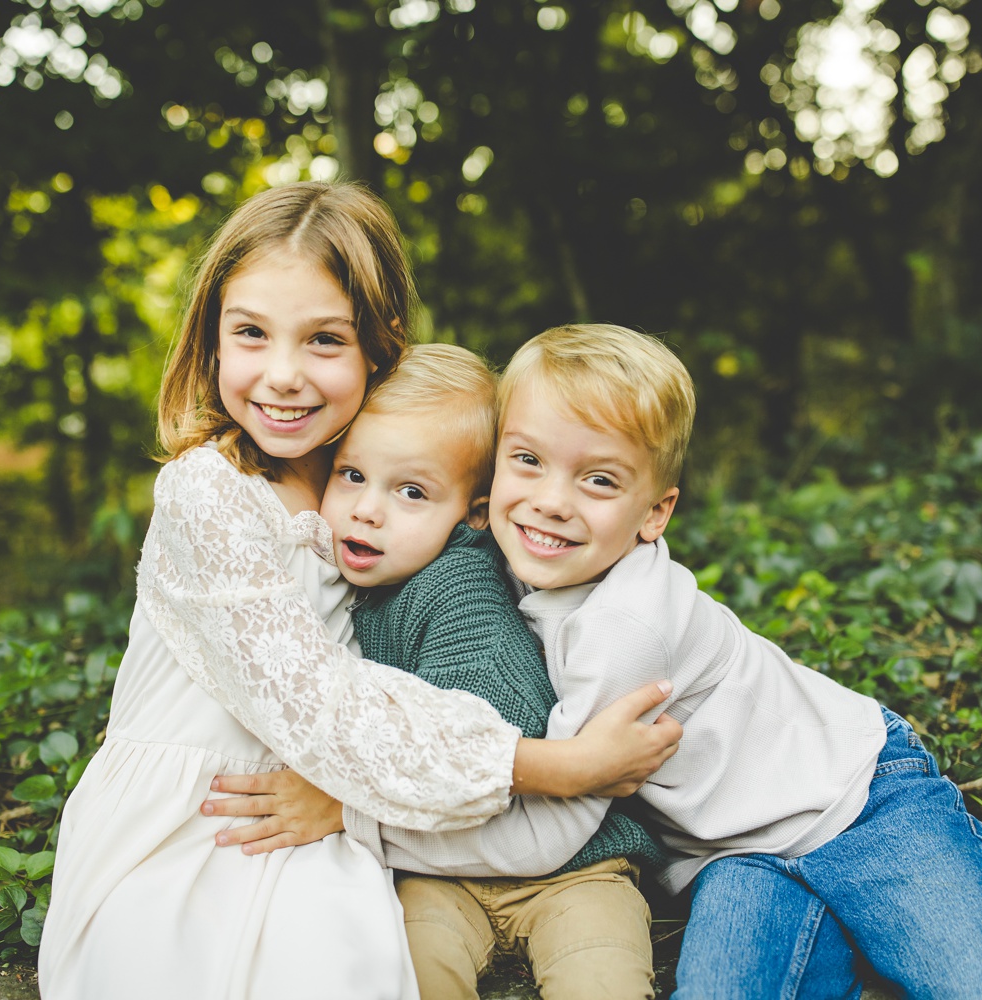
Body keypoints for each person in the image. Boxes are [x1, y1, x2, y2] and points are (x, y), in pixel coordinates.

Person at [213, 324, 982, 999]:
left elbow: (557, 824)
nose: (549, 500)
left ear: (654, 512)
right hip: (732, 859)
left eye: (598, 481)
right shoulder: (494, 562)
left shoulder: (624, 627)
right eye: (527, 461)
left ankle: (872, 910)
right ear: (488, 481)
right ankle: (839, 933)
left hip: (857, 799)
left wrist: (357, 814)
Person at [36, 189, 681, 1000]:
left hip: (331, 803)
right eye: (250, 334)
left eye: (325, 340)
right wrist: (557, 765)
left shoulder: (381, 479)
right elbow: (324, 706)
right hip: (199, 822)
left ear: (381, 348)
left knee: (355, 968)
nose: (282, 375)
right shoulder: (210, 493)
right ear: (210, 339)